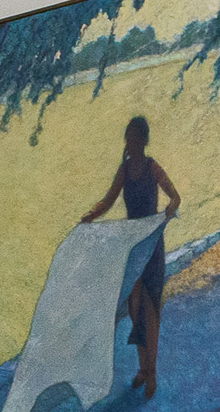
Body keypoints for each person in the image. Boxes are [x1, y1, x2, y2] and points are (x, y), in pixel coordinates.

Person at [77, 114, 180, 396]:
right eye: (129, 138)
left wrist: (170, 208)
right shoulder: (124, 171)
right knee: (136, 312)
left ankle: (152, 373)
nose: (132, 143)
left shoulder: (152, 168)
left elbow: (175, 196)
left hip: (151, 246)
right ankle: (141, 368)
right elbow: (108, 200)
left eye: (136, 138)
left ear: (144, 141)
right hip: (132, 248)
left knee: (151, 310)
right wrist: (90, 215)